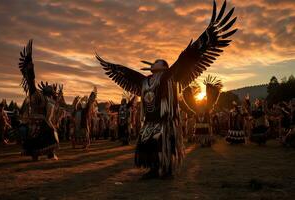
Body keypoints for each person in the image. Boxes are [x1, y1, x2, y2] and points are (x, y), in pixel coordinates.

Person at [96, 0, 237, 178]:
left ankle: (166, 169)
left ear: (162, 67)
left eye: (156, 62)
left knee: (162, 142)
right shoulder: (144, 80)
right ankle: (155, 169)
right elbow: (121, 73)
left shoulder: (171, 76)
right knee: (148, 143)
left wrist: (208, 36)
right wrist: (115, 68)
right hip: (150, 119)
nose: (153, 63)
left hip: (165, 119)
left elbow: (193, 54)